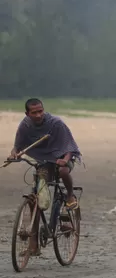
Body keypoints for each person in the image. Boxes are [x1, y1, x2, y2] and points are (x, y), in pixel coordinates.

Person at [7, 98, 83, 255]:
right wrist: (14, 154)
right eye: (34, 112)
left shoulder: (56, 123)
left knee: (63, 172)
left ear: (43, 109)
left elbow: (70, 147)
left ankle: (70, 196)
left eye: (40, 111)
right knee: (36, 198)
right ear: (27, 114)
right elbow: (17, 146)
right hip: (44, 160)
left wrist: (65, 160)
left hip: (63, 157)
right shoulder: (25, 125)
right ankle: (33, 246)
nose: (38, 115)